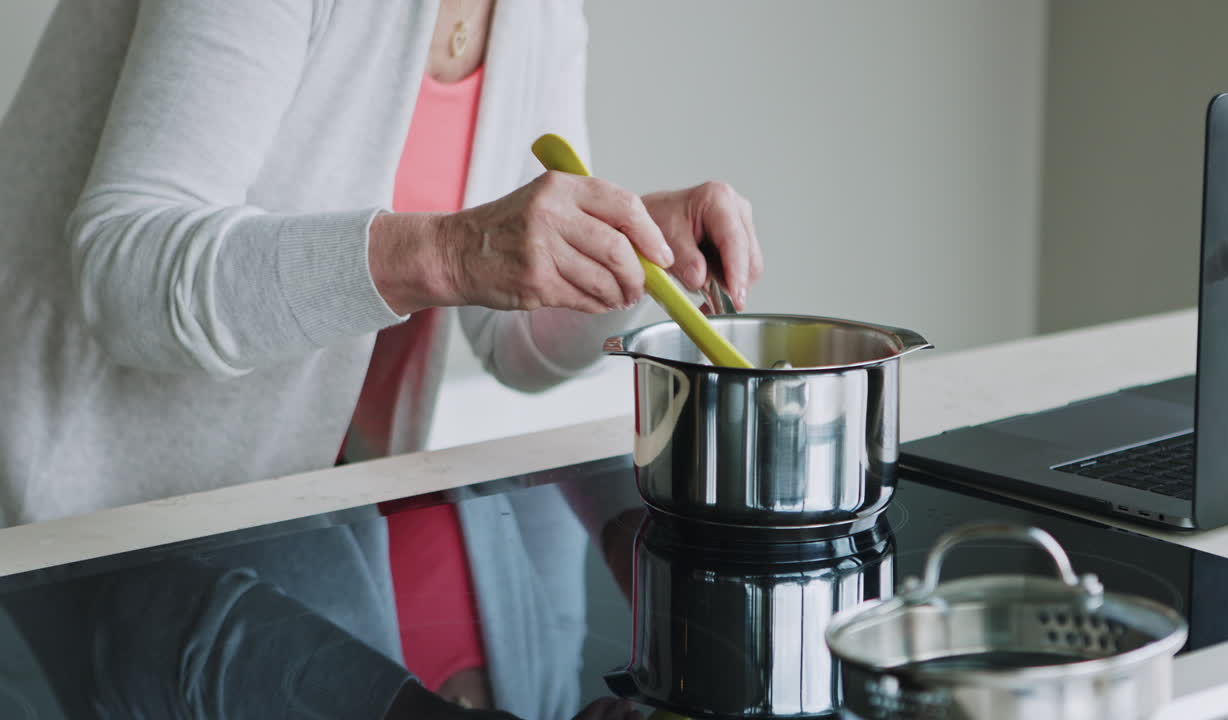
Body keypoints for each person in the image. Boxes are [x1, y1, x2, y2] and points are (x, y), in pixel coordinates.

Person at [0, 1, 762, 718]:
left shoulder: (540, 13)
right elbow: (126, 269)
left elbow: (508, 342)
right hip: (80, 521)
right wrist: (449, 252)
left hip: (305, 505)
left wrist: (631, 255)